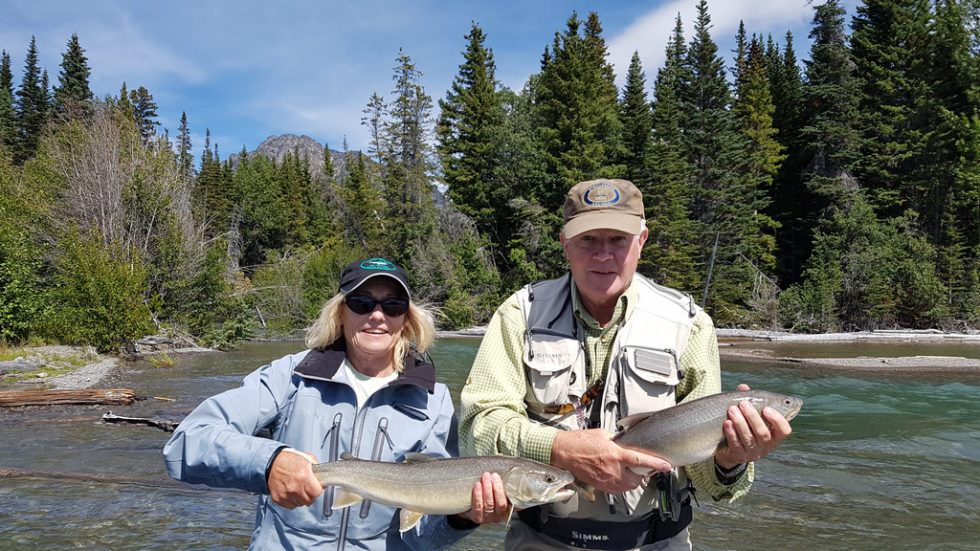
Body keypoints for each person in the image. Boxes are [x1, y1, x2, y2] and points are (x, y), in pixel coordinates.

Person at [459, 179, 795, 550]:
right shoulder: (519, 315)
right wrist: (559, 448)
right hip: (539, 539)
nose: (603, 254)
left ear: (642, 240)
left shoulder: (690, 326)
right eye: (588, 239)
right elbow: (476, 428)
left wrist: (731, 461)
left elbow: (707, 480)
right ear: (565, 243)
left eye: (618, 239)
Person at [164, 257, 509, 550]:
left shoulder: (433, 401)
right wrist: (268, 463)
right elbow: (187, 441)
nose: (378, 315)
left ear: (406, 319)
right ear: (340, 313)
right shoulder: (290, 376)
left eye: (393, 305)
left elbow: (422, 540)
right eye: (362, 302)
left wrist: (461, 517)